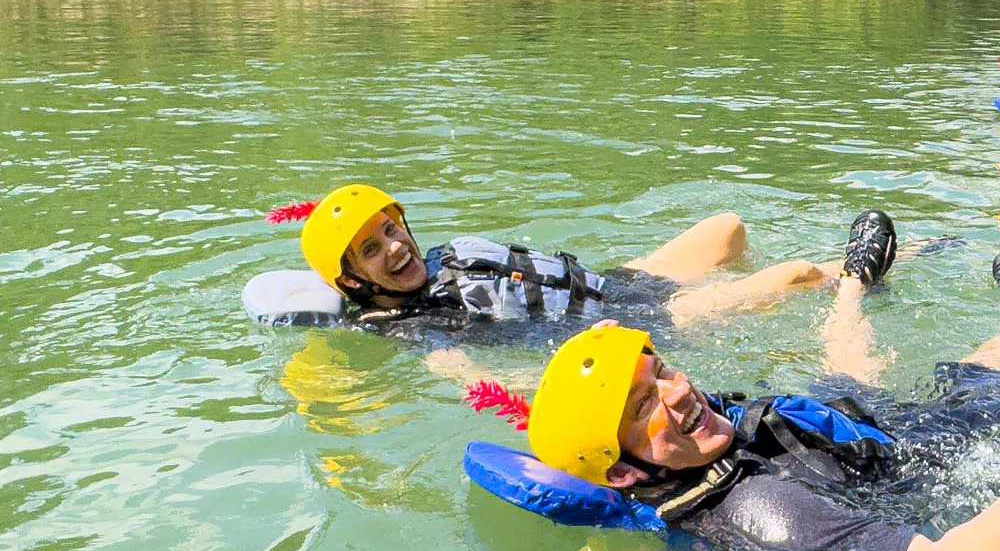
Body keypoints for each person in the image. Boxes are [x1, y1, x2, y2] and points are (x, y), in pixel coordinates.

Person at [514, 211, 1000, 551]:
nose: (680, 392)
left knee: (844, 377)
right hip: (902, 466)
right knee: (984, 377)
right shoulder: (765, 512)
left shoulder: (691, 445)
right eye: (643, 405)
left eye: (664, 371)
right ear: (624, 472)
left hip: (826, 436)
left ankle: (853, 287)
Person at [276, 183, 842, 338]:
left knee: (728, 229)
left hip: (619, 283)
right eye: (372, 250)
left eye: (390, 229)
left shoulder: (438, 256)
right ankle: (883, 268)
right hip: (630, 323)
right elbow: (470, 377)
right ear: (352, 280)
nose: (396, 247)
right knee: (800, 275)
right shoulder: (421, 326)